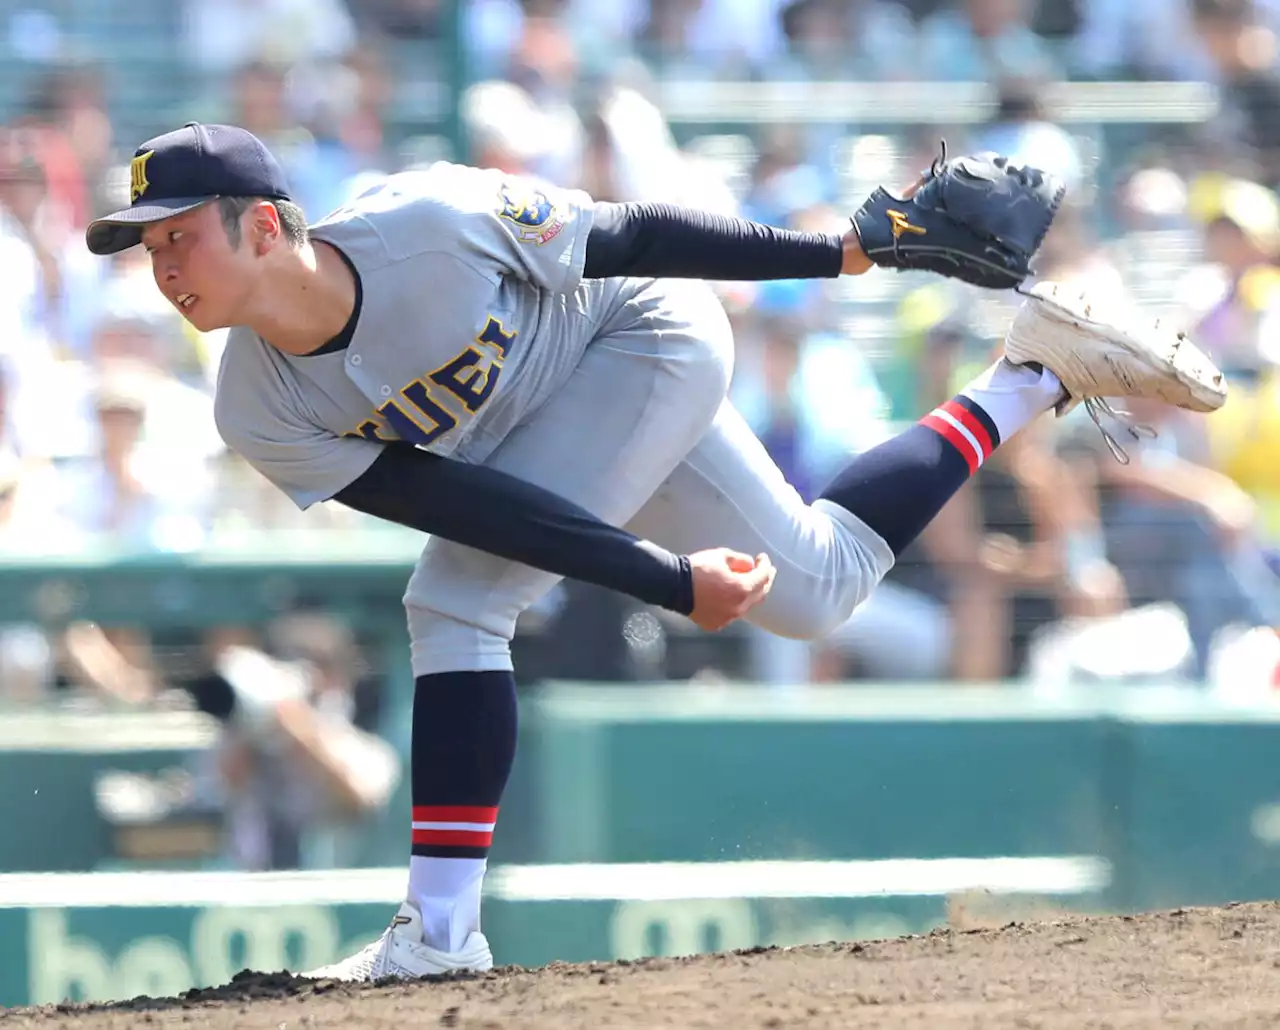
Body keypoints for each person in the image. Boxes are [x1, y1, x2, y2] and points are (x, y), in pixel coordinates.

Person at [85, 122, 1221, 981]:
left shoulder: (424, 221)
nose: (164, 265)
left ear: (267, 222)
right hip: (567, 433)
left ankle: (437, 930)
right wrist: (664, 579)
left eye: (180, 234)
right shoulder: (255, 408)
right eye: (147, 248)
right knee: (817, 589)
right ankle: (1030, 372)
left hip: (641, 338)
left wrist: (845, 255)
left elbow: (626, 232)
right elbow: (486, 513)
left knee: (453, 608)